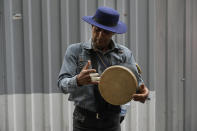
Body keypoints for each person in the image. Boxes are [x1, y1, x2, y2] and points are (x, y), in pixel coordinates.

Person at [58, 6, 149, 131]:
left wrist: (143, 92)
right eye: (97, 30)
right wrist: (78, 81)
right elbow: (62, 85)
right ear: (92, 27)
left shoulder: (124, 54)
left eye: (106, 32)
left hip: (112, 121)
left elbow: (136, 83)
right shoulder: (75, 51)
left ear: (114, 33)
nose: (100, 36)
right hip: (83, 121)